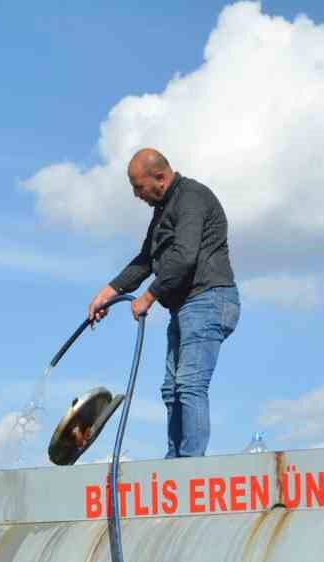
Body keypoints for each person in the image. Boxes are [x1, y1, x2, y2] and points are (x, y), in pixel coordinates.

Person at [87, 147, 239, 459]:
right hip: (184, 306)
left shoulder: (192, 198)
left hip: (209, 299)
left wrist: (148, 297)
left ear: (160, 177)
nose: (136, 195)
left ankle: (190, 466)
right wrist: (109, 291)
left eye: (138, 187)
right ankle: (175, 461)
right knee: (171, 390)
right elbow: (146, 260)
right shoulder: (163, 210)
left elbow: (184, 257)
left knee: (190, 386)